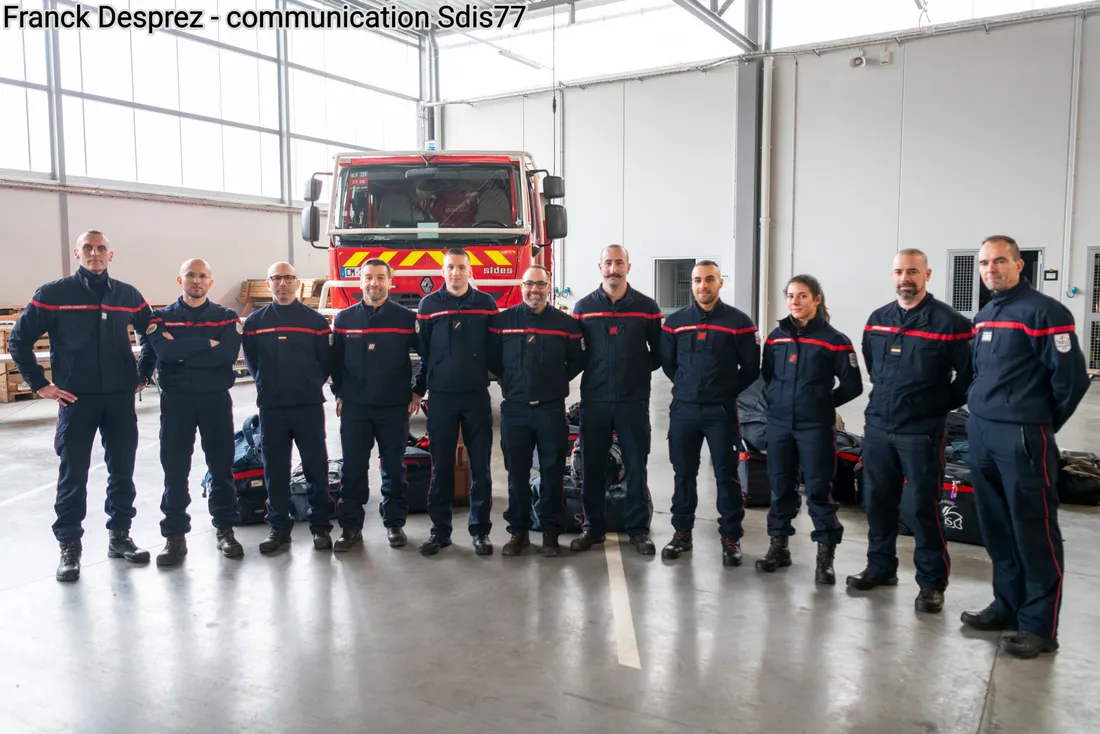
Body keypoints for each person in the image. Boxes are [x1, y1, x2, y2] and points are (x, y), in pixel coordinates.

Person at [961, 235, 1089, 658]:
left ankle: (1039, 626)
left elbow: (1072, 380)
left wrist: (1039, 422)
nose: (990, 269)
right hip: (981, 433)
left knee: (1033, 530)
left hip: (1021, 435)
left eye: (999, 261)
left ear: (1019, 265)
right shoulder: (984, 314)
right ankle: (1007, 605)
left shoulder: (1046, 312)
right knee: (996, 527)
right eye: (984, 263)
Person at [9, 230, 153, 581]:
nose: (94, 253)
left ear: (110, 254)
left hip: (119, 398)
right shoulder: (53, 294)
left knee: (122, 470)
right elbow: (19, 339)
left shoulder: (128, 295)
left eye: (101, 248)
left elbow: (152, 332)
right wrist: (41, 385)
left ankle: (120, 537)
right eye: (87, 248)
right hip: (77, 400)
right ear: (77, 253)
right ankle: (69, 547)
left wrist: (143, 374)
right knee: (73, 474)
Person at [847, 248, 974, 613]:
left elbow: (967, 376)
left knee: (921, 506)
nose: (906, 278)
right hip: (879, 427)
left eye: (913, 271)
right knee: (877, 500)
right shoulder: (877, 320)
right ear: (892, 276)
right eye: (900, 271)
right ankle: (881, 566)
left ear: (927, 274)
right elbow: (872, 364)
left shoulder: (950, 323)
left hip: (921, 431)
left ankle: (932, 583)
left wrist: (937, 405)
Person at [755, 275, 862, 582]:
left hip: (815, 427)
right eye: (790, 296)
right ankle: (779, 547)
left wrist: (823, 404)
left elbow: (852, 385)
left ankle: (825, 558)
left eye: (802, 296)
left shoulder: (834, 340)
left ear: (817, 299)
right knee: (780, 486)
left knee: (818, 489)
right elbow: (768, 377)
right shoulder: (776, 338)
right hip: (779, 426)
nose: (795, 302)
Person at [138, 259, 244, 564]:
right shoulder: (161, 317)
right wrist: (206, 344)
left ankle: (225, 529)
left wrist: (183, 349)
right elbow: (165, 353)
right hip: (177, 402)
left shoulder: (226, 316)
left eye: (202, 276)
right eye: (190, 275)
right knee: (174, 469)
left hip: (215, 400)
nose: (196, 281)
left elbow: (225, 355)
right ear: (179, 280)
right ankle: (174, 537)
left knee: (222, 468)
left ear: (210, 282)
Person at [659, 261, 760, 566]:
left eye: (709, 279)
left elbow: (752, 368)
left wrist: (726, 391)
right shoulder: (674, 322)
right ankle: (682, 534)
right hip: (684, 412)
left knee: (726, 476)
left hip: (721, 413)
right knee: (683, 475)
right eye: (697, 280)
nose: (703, 285)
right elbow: (669, 365)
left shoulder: (739, 323)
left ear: (720, 283)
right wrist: (689, 388)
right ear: (691, 284)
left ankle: (730, 538)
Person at [571, 245, 663, 554]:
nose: (614, 268)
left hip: (632, 400)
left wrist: (632, 369)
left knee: (636, 465)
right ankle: (592, 527)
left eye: (619, 263)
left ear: (628, 267)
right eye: (608, 263)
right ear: (599, 268)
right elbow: (576, 353)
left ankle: (637, 529)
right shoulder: (583, 307)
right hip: (594, 400)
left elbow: (658, 353)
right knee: (592, 465)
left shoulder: (648, 308)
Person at [487, 264, 584, 557]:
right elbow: (493, 360)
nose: (534, 290)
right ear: (522, 287)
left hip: (551, 411)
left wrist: (553, 382)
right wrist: (512, 383)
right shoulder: (501, 322)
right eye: (529, 284)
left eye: (540, 284)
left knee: (553, 473)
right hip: (515, 411)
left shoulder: (565, 324)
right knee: (516, 474)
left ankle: (551, 534)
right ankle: (518, 532)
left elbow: (577, 361)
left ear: (548, 286)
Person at [241, 262, 334, 553]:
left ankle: (320, 527)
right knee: (275, 470)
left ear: (298, 284)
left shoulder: (315, 322)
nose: (283, 283)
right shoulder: (255, 323)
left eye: (288, 278)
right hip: (272, 408)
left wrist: (309, 383)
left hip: (307, 406)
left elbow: (325, 362)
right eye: (276, 278)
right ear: (268, 284)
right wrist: (267, 386)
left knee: (316, 468)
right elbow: (253, 363)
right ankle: (279, 529)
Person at [330, 259, 421, 551]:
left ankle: (394, 524)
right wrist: (339, 392)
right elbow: (334, 362)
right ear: (360, 282)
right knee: (353, 469)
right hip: (355, 408)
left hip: (393, 407)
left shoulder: (405, 319)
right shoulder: (344, 320)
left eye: (380, 277)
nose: (374, 283)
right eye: (368, 277)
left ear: (390, 282)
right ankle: (351, 527)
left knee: (394, 469)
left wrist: (418, 390)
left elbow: (430, 356)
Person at [414, 248, 499, 556]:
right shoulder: (428, 305)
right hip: (441, 399)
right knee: (441, 468)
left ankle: (480, 531)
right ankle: (440, 531)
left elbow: (495, 350)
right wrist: (418, 389)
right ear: (443, 271)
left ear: (469, 270)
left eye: (461, 267)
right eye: (450, 267)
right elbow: (425, 353)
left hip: (476, 396)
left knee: (481, 467)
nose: (455, 273)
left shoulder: (486, 304)